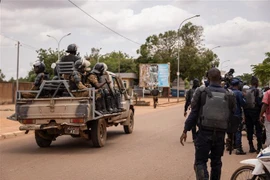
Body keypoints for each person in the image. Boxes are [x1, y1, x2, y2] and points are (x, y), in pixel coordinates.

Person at [180, 68, 236, 180]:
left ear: (208, 77)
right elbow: (232, 117)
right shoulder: (230, 94)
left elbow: (194, 113)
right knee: (216, 163)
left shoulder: (201, 92)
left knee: (200, 162)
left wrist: (185, 130)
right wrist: (230, 137)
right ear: (220, 78)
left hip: (204, 134)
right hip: (220, 135)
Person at [243, 76, 263, 153]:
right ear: (257, 83)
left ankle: (251, 146)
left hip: (247, 112)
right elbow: (260, 103)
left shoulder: (246, 91)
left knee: (249, 130)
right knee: (258, 129)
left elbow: (244, 103)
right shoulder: (258, 91)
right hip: (256, 112)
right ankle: (259, 147)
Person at [229, 77, 247, 155]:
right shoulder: (239, 93)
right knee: (238, 131)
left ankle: (229, 146)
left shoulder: (228, 92)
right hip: (237, 115)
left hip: (228, 115)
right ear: (238, 85)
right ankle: (239, 149)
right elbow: (243, 103)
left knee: (229, 130)